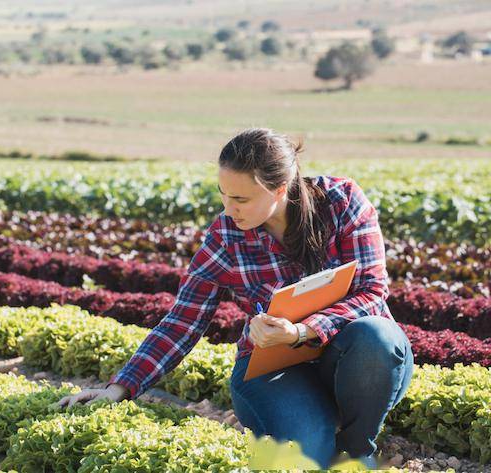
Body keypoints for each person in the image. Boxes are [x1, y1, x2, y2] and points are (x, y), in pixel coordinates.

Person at [56, 127, 414, 470]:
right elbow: (183, 321)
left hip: (355, 359)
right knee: (307, 458)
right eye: (223, 195)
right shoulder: (226, 236)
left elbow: (371, 292)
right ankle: (316, 427)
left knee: (377, 336)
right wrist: (120, 387)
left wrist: (301, 331)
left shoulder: (342, 203)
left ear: (279, 190)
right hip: (274, 369)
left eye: (241, 198)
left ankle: (357, 450)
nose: (229, 209)